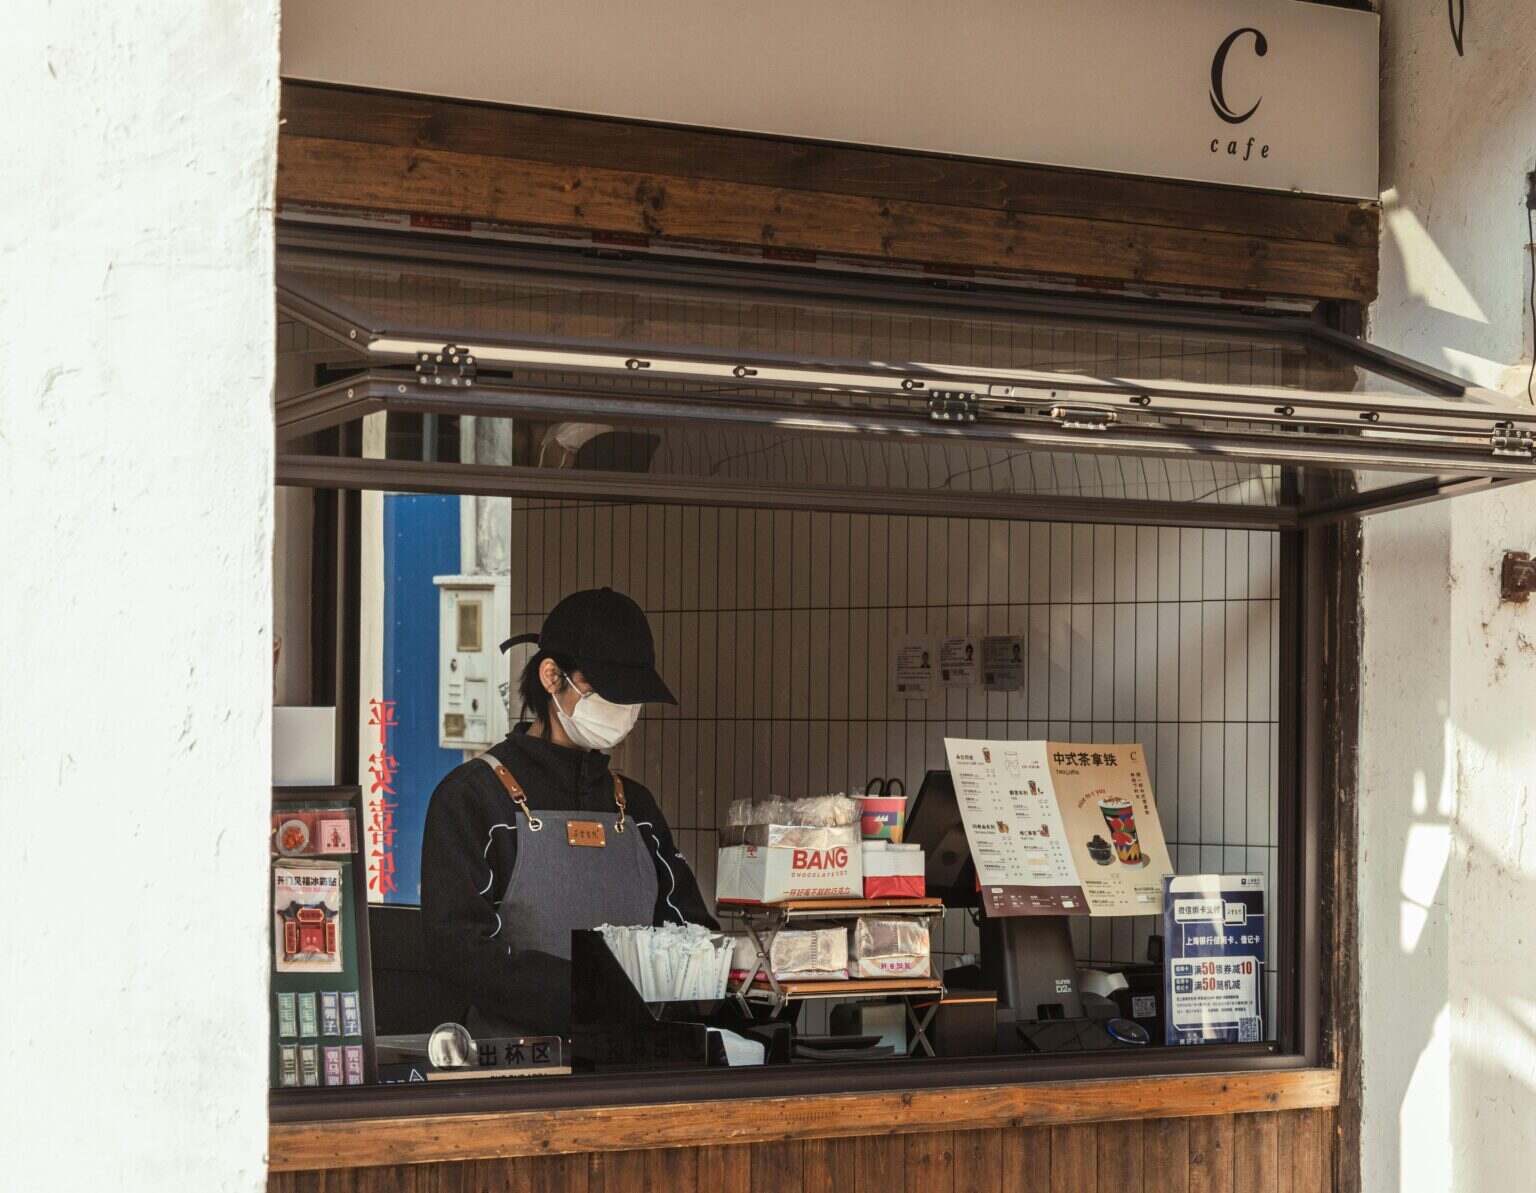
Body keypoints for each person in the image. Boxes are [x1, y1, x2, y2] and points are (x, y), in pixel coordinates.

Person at [420, 587, 714, 1039]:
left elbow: (686, 929)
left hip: (633, 1067)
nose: (622, 713)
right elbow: (459, 947)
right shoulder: (474, 798)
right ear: (551, 676)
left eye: (631, 699)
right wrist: (590, 995)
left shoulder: (634, 806)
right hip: (514, 1075)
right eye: (606, 694)